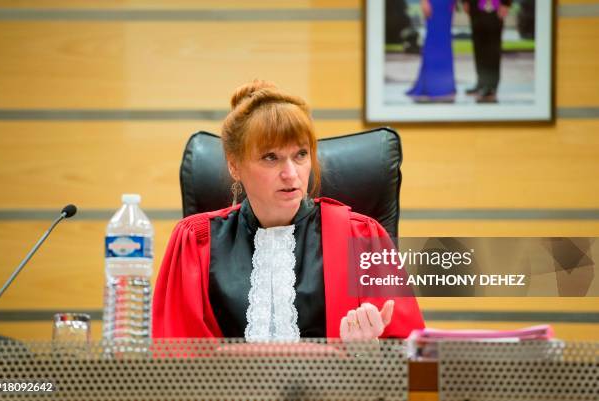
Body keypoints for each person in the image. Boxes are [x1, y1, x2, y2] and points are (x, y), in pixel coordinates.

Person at [152, 80, 425, 342]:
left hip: (338, 391)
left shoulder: (363, 237)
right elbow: (178, 366)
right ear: (234, 165)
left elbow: (411, 359)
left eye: (301, 155)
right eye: (271, 157)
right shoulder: (195, 242)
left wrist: (367, 353)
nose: (291, 174)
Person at [462, 0, 512, 102]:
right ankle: (481, 83)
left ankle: (491, 86)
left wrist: (506, 4)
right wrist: (465, 1)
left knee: (492, 48)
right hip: (476, 7)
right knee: (479, 47)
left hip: (495, 8)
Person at [406, 0, 456, 102]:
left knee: (445, 39)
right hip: (434, 3)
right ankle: (431, 84)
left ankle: (446, 84)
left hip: (447, 3)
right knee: (433, 39)